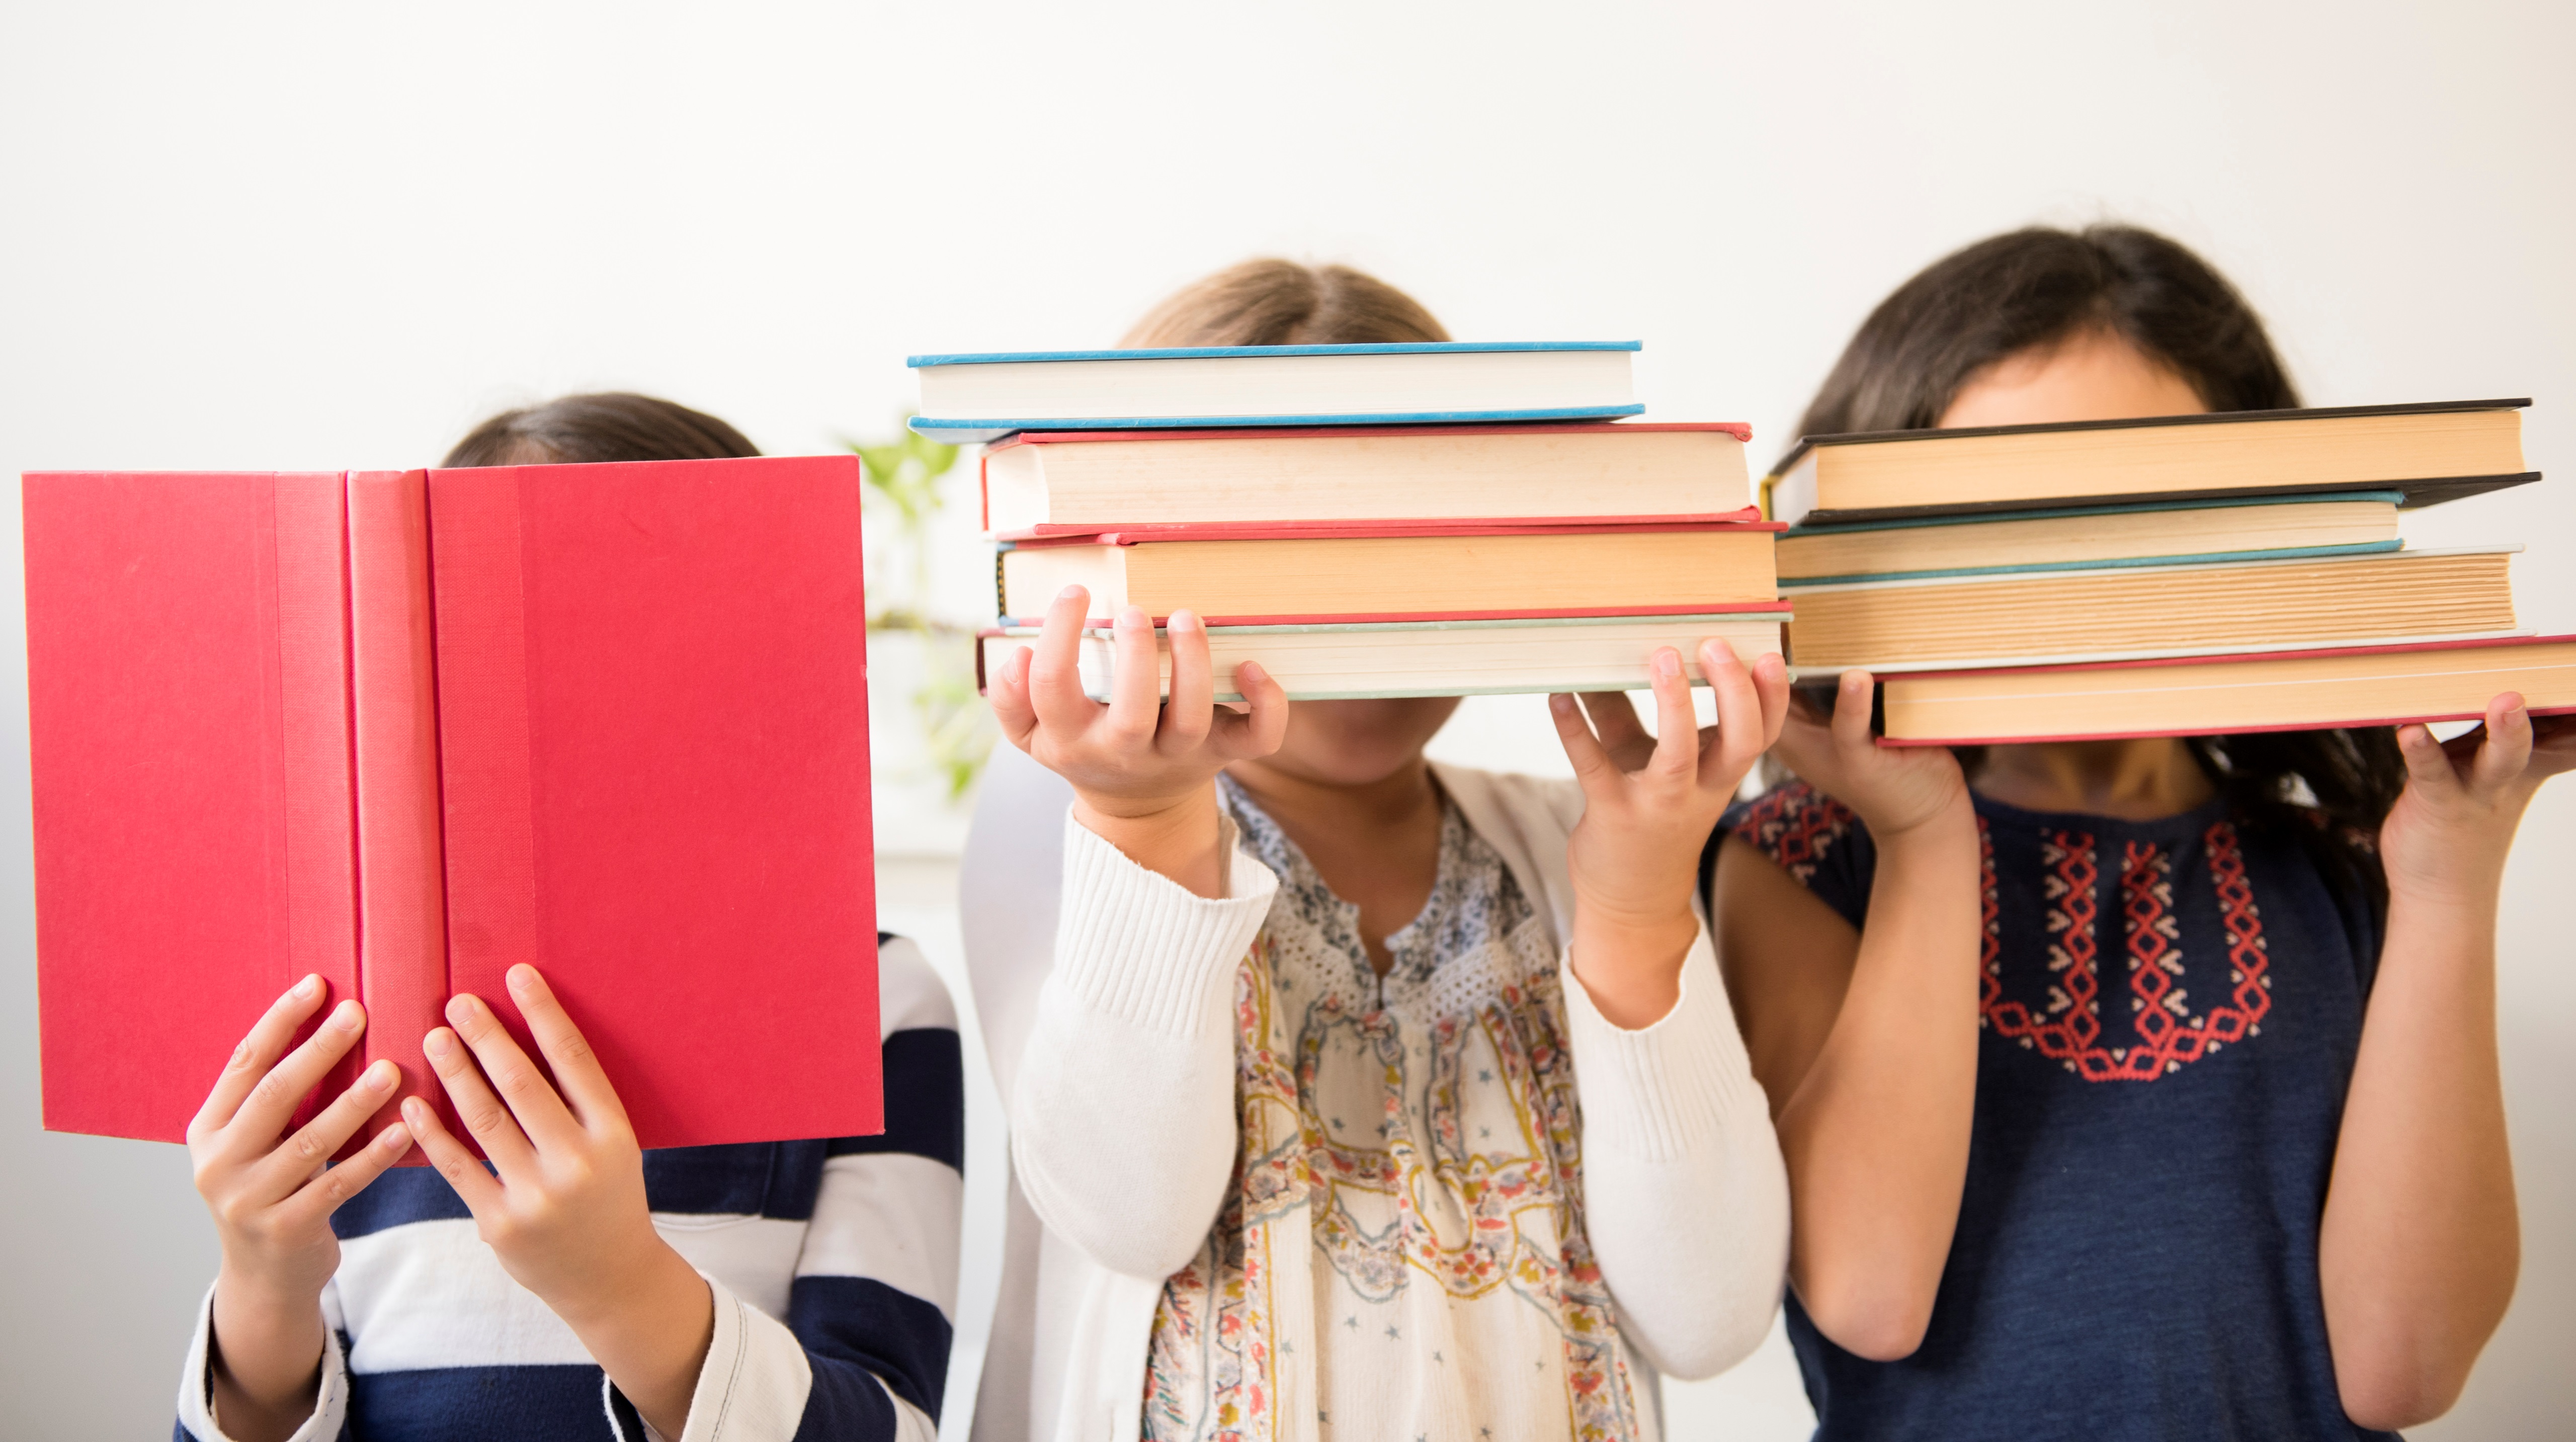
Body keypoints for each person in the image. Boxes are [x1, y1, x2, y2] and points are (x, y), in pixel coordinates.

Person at [1708, 225, 2574, 1440]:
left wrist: (2450, 886)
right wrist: (1922, 838)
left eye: (2142, 504)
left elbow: (2402, 1372)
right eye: (2000, 511)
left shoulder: (2347, 873)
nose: (2075, 574)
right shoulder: (1797, 858)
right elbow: (1867, 1295)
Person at [959, 261, 1793, 1442]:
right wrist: (1140, 822)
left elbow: (1707, 1317)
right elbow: (1130, 1213)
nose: (1350, 610)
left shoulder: (1587, 842)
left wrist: (1641, 905)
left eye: (1403, 548)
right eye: (1284, 557)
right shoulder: (1059, 814)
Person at [177, 393, 964, 1442]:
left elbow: (892, 1426)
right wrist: (262, 1279)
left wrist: (620, 1285)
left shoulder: (877, 1001)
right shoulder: (340, 1018)